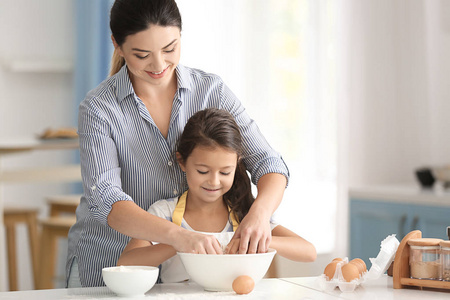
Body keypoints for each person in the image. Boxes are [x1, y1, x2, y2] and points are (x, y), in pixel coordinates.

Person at [66, 0, 289, 288]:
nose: (159, 65)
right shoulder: (99, 109)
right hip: (111, 267)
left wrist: (259, 215)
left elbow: (269, 163)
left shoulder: (212, 91)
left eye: (169, 49)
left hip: (186, 276)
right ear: (117, 46)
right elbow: (107, 200)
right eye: (142, 54)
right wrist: (178, 235)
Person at [117, 108, 316, 283]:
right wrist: (178, 242)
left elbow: (308, 252)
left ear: (237, 164)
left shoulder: (244, 214)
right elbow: (125, 262)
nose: (214, 181)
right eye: (203, 171)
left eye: (225, 172)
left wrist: (254, 237)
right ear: (182, 162)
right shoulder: (164, 212)